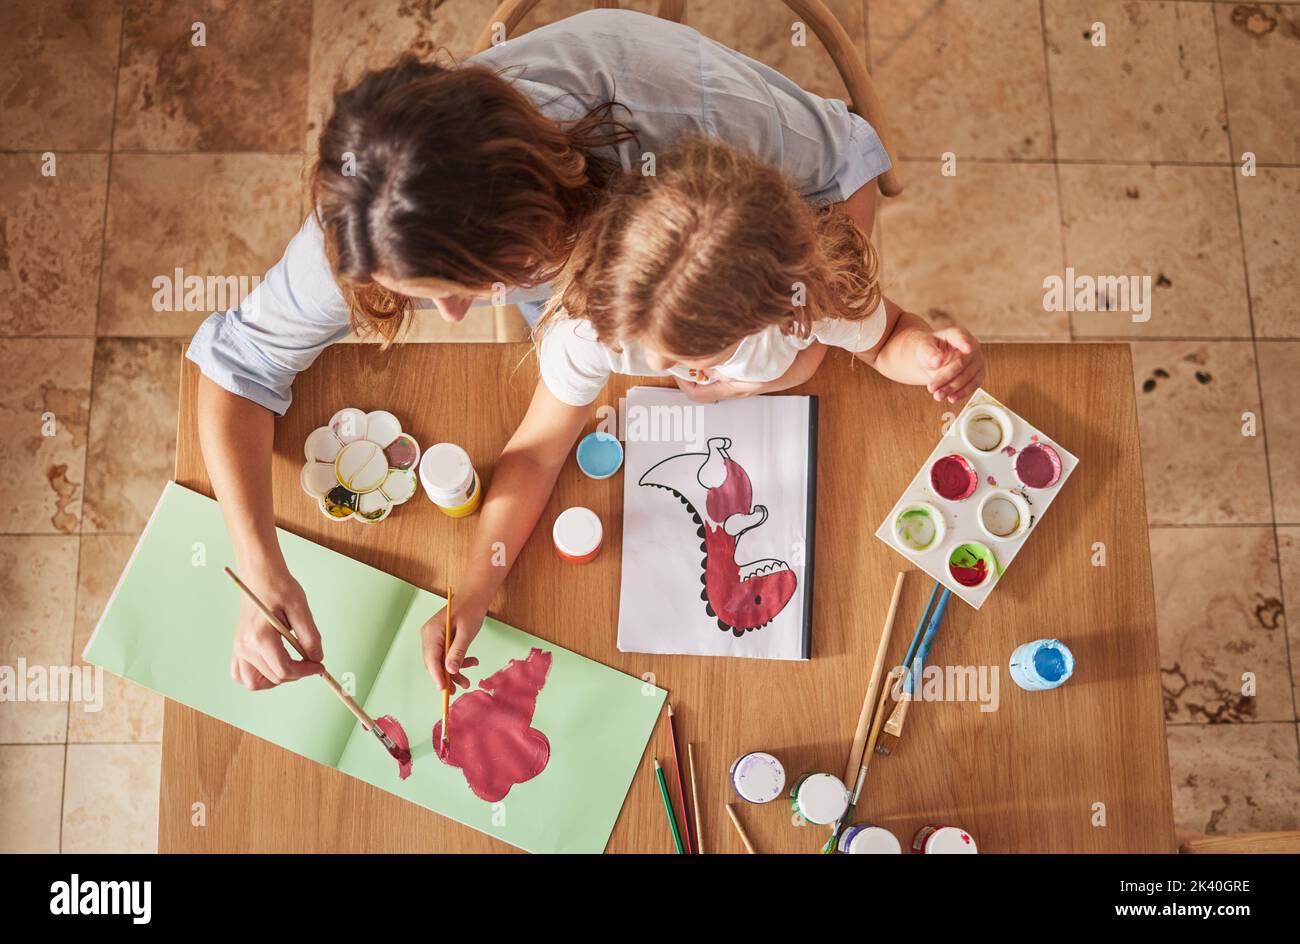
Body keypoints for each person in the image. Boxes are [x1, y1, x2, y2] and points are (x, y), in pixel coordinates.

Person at [193, 9, 895, 691]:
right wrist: (259, 567)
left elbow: (847, 171)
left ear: (529, 221)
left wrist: (778, 356)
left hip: (754, 262)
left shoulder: (673, 111)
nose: (455, 315)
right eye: (421, 294)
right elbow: (239, 364)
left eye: (466, 285)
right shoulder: (371, 218)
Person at [424, 136, 983, 689]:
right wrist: (473, 591)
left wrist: (929, 357)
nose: (664, 366)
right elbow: (538, 455)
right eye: (640, 343)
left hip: (832, 168)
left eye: (695, 354)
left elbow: (885, 341)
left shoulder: (807, 297)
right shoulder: (591, 324)